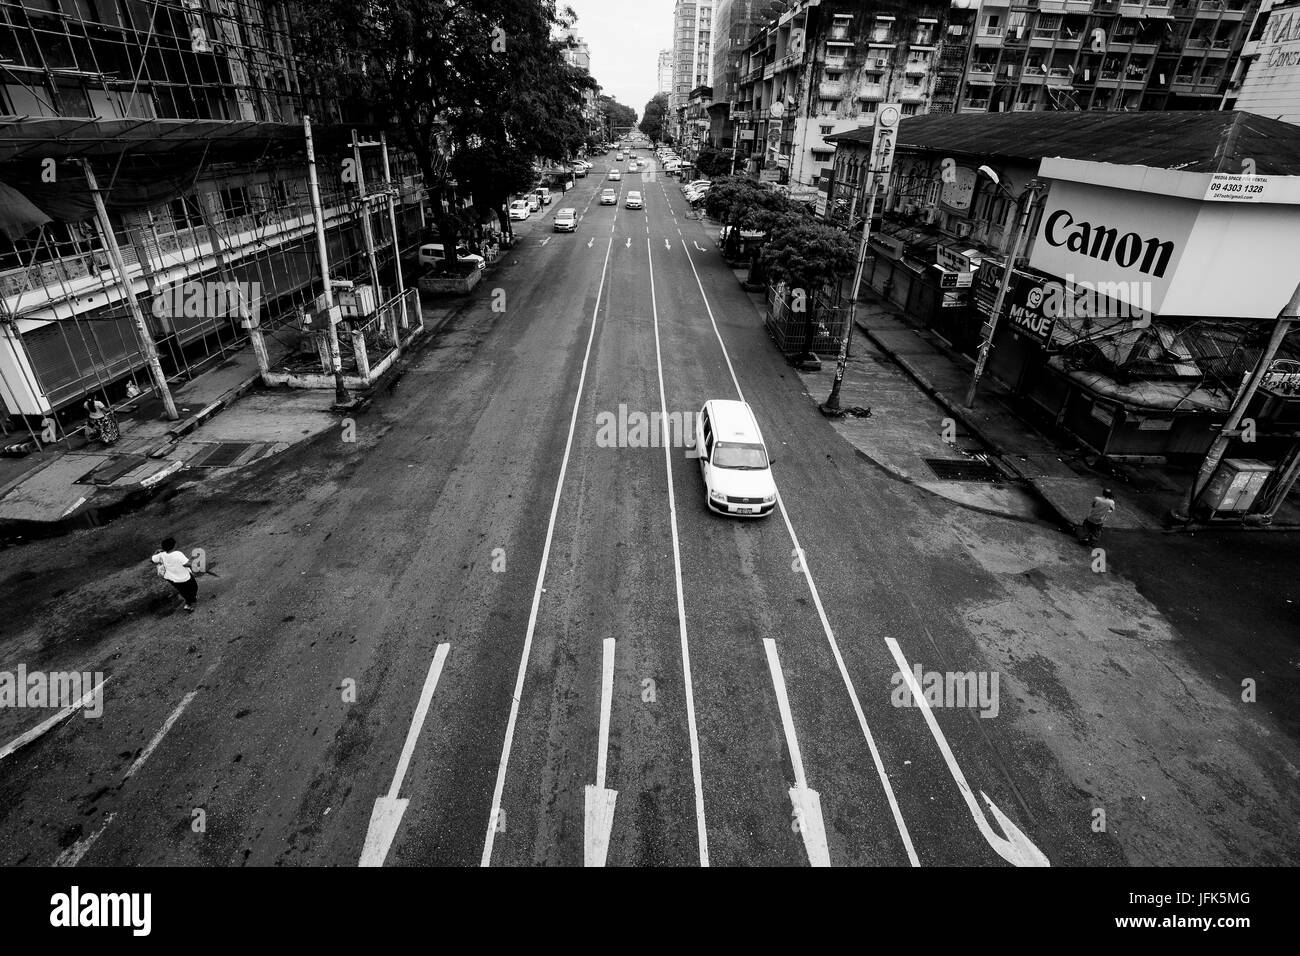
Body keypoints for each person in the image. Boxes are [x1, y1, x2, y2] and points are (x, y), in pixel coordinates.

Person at [151, 537, 198, 612]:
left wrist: (156, 551)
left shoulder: (161, 555)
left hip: (172, 578)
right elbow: (186, 564)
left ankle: (188, 604)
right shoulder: (177, 554)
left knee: (183, 591)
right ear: (174, 546)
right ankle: (191, 601)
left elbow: (152, 559)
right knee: (194, 587)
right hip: (184, 577)